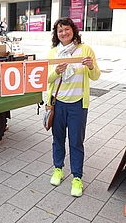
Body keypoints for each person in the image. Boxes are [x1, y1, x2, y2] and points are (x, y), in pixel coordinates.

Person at [46, 17, 101, 197]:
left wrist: (92, 66)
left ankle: (77, 177)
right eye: (60, 30)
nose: (64, 33)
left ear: (73, 30)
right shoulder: (53, 53)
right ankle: (58, 168)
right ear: (57, 34)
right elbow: (46, 79)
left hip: (78, 105)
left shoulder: (85, 50)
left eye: (67, 29)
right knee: (58, 139)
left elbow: (95, 76)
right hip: (58, 103)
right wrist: (56, 72)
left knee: (76, 142)